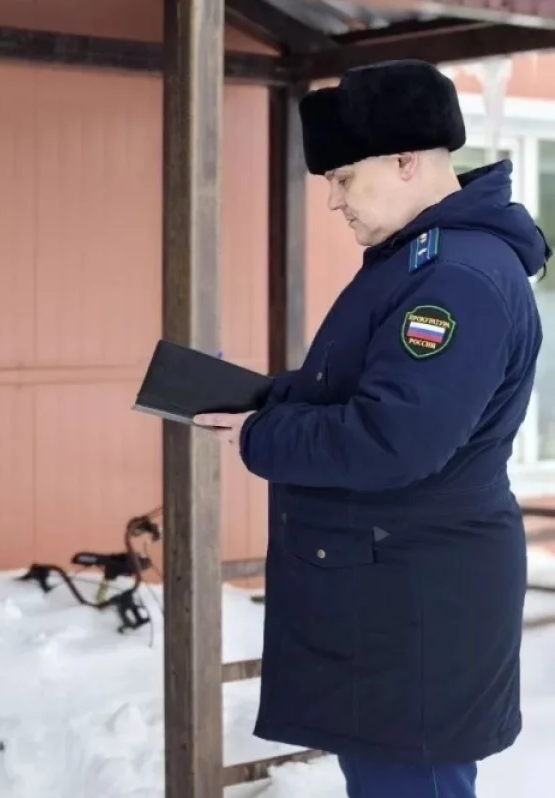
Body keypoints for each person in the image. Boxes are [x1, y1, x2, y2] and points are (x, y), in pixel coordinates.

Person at [195, 60, 549, 798]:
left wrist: (264, 436)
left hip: (418, 601)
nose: (333, 200)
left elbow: (395, 439)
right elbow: (366, 386)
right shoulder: (416, 261)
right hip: (397, 588)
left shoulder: (453, 278)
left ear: (405, 160)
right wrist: (272, 398)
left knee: (411, 782)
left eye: (344, 178)